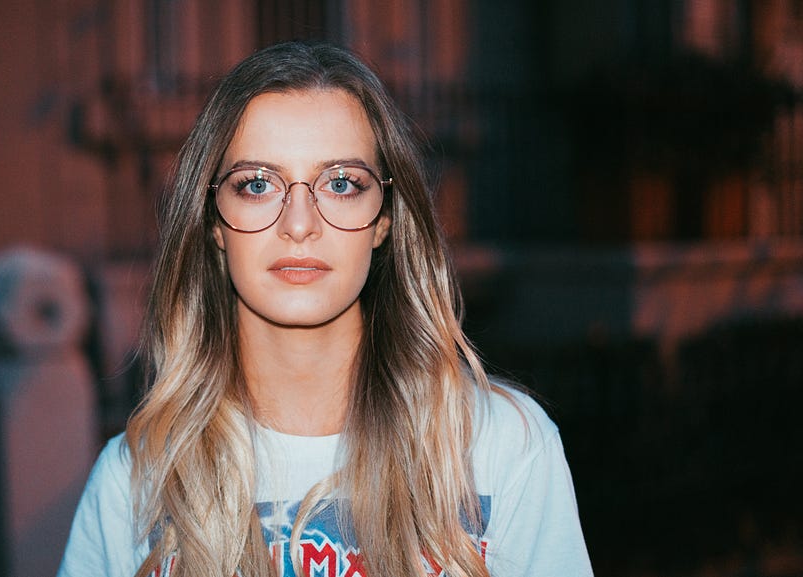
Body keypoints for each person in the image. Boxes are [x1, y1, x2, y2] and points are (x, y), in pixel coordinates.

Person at [56, 40, 593, 577]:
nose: (299, 223)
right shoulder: (134, 480)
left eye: (340, 184)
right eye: (257, 185)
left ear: (385, 217)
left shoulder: (502, 447)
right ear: (213, 221)